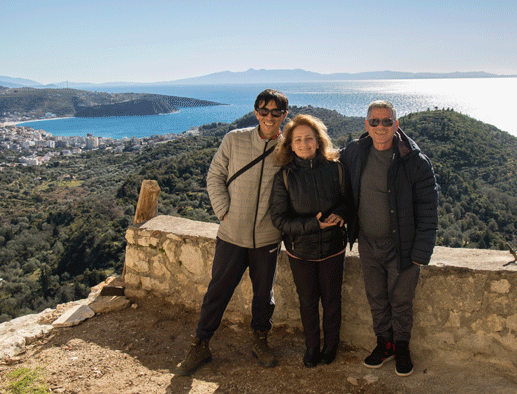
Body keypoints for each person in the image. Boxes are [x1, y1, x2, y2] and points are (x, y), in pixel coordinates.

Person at [175, 89, 289, 375]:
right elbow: (215, 176)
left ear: (284, 115)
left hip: (267, 237)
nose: (269, 117)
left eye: (275, 112)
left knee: (263, 296)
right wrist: (223, 211)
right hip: (231, 234)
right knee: (218, 292)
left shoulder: (288, 148)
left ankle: (260, 340)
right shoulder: (234, 139)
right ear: (256, 112)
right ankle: (200, 344)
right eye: (263, 111)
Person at [340, 100, 438, 377]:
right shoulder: (355, 152)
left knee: (401, 302)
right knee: (377, 298)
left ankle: (402, 347)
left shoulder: (414, 161)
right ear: (366, 125)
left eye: (386, 121)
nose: (380, 127)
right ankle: (385, 344)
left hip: (403, 246)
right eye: (375, 121)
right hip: (368, 244)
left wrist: (420, 254)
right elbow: (335, 178)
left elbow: (428, 209)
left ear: (396, 125)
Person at [269, 114, 351, 368]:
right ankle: (312, 346)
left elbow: (348, 202)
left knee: (332, 301)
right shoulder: (284, 177)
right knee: (307, 301)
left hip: (333, 248)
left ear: (318, 141)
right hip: (300, 251)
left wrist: (341, 214)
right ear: (290, 145)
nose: (304, 144)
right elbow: (279, 219)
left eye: (309, 138)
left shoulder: (336, 169)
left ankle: (331, 345)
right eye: (298, 140)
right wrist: (313, 225)